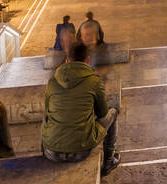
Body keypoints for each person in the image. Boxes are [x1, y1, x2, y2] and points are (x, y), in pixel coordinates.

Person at [42, 41, 121, 176]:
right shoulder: (94, 81)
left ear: (67, 60)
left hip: (50, 152)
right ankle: (109, 160)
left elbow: (48, 112)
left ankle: (46, 147)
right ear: (87, 60)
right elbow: (103, 113)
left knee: (48, 117)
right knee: (113, 112)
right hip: (80, 151)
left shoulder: (53, 81)